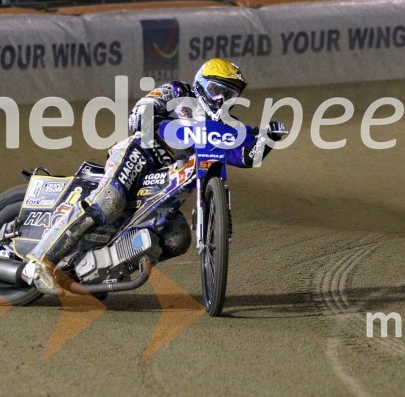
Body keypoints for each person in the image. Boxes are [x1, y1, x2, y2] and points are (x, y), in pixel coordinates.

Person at [22, 58, 289, 294]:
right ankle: (40, 260)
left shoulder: (226, 125)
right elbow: (139, 114)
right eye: (218, 90)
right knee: (108, 202)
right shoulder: (177, 91)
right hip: (141, 154)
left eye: (229, 95)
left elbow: (245, 155)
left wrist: (268, 139)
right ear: (201, 85)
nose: (222, 99)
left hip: (165, 183)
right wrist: (167, 125)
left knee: (178, 238)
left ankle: (98, 271)